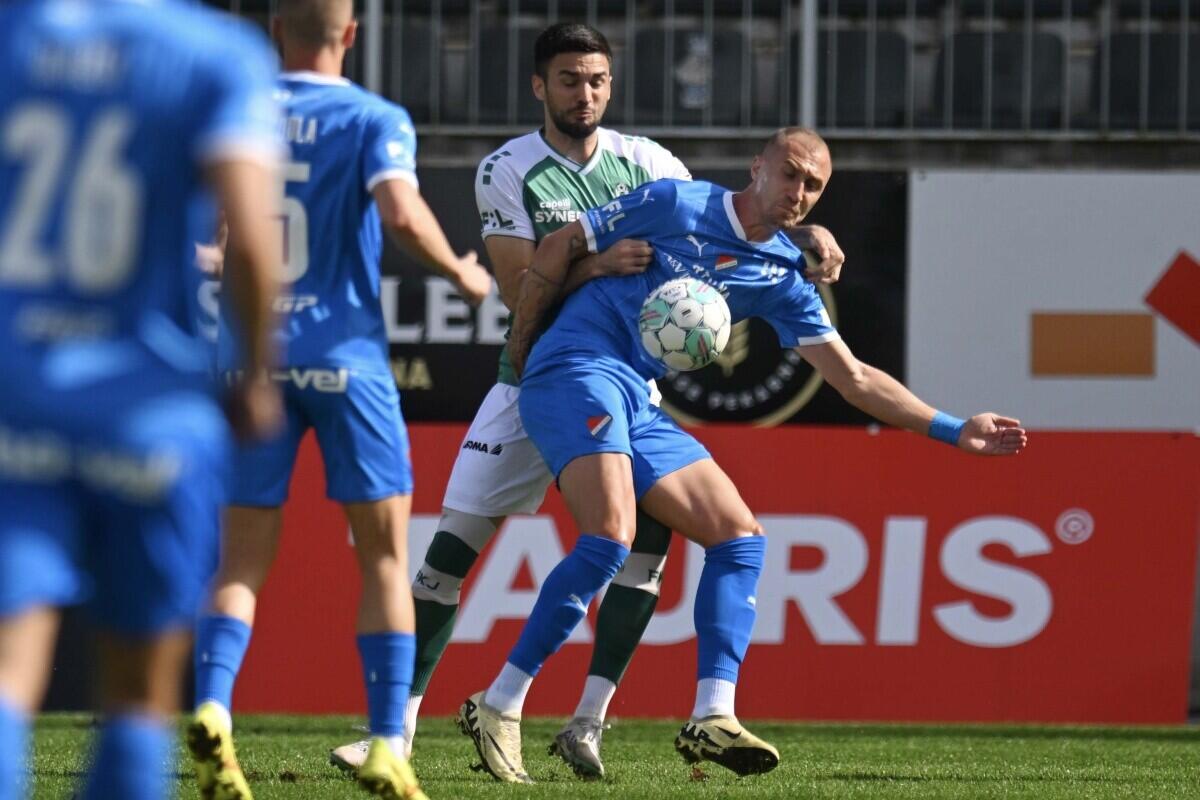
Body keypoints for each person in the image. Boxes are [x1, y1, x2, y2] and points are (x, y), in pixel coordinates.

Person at [328, 22, 846, 780]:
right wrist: (597, 263)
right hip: (535, 377)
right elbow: (516, 289)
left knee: (640, 550)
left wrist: (814, 231)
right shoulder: (509, 168)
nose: (586, 93)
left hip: (627, 384)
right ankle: (393, 737)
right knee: (447, 561)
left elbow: (737, 216)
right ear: (541, 86)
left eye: (598, 79)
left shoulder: (649, 162)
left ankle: (589, 721)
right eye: (569, 79)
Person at [457, 128, 1028, 783]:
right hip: (574, 367)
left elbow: (855, 379)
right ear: (757, 167)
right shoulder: (676, 203)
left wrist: (956, 429)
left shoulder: (781, 275)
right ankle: (498, 702)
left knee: (740, 537)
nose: (798, 193)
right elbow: (560, 245)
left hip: (636, 399)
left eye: (813, 186)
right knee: (610, 538)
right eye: (789, 174)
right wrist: (524, 346)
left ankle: (713, 713)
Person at [187, 2, 492, 799]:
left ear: (274, 30)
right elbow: (400, 212)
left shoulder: (235, 109)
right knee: (385, 556)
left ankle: (215, 707)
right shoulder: (371, 116)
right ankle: (389, 740)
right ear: (350, 34)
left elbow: (211, 230)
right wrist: (459, 271)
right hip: (344, 360)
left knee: (241, 559)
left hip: (251, 359)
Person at [0, 1, 283, 798]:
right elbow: (255, 248)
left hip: (14, 400)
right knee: (136, 696)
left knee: (7, 673)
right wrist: (255, 377)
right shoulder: (215, 53)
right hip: (152, 416)